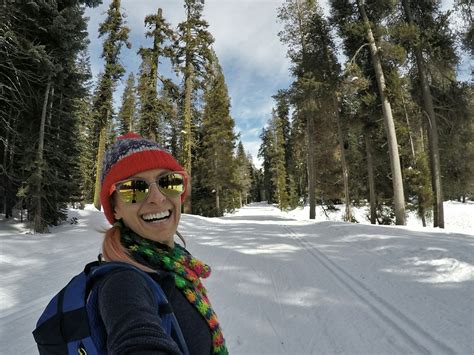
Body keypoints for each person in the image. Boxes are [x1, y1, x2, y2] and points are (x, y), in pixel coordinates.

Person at [97, 132, 228, 354]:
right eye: (134, 188)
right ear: (115, 208)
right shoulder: (122, 283)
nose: (157, 197)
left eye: (169, 182)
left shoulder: (175, 267)